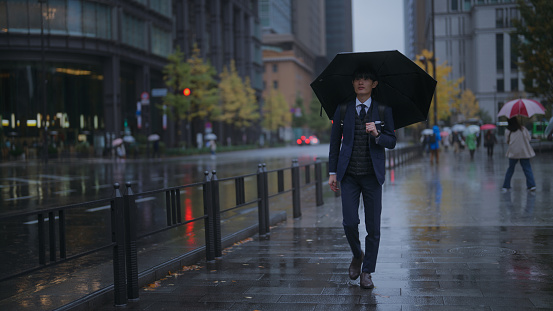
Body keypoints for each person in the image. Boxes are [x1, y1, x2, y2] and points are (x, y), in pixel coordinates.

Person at [328, 68, 396, 289]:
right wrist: (332, 172)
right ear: (353, 83)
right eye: (357, 78)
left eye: (366, 79)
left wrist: (377, 134)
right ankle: (358, 255)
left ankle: (367, 271)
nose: (361, 82)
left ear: (374, 84)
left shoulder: (384, 110)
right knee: (349, 222)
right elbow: (334, 144)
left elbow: (391, 141)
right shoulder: (343, 108)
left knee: (373, 227)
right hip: (348, 175)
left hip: (372, 177)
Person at [501, 117, 536, 191]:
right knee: (527, 168)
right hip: (524, 152)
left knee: (510, 169)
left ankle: (506, 186)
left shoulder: (508, 130)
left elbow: (507, 141)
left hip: (513, 152)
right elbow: (529, 138)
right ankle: (531, 185)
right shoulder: (523, 129)